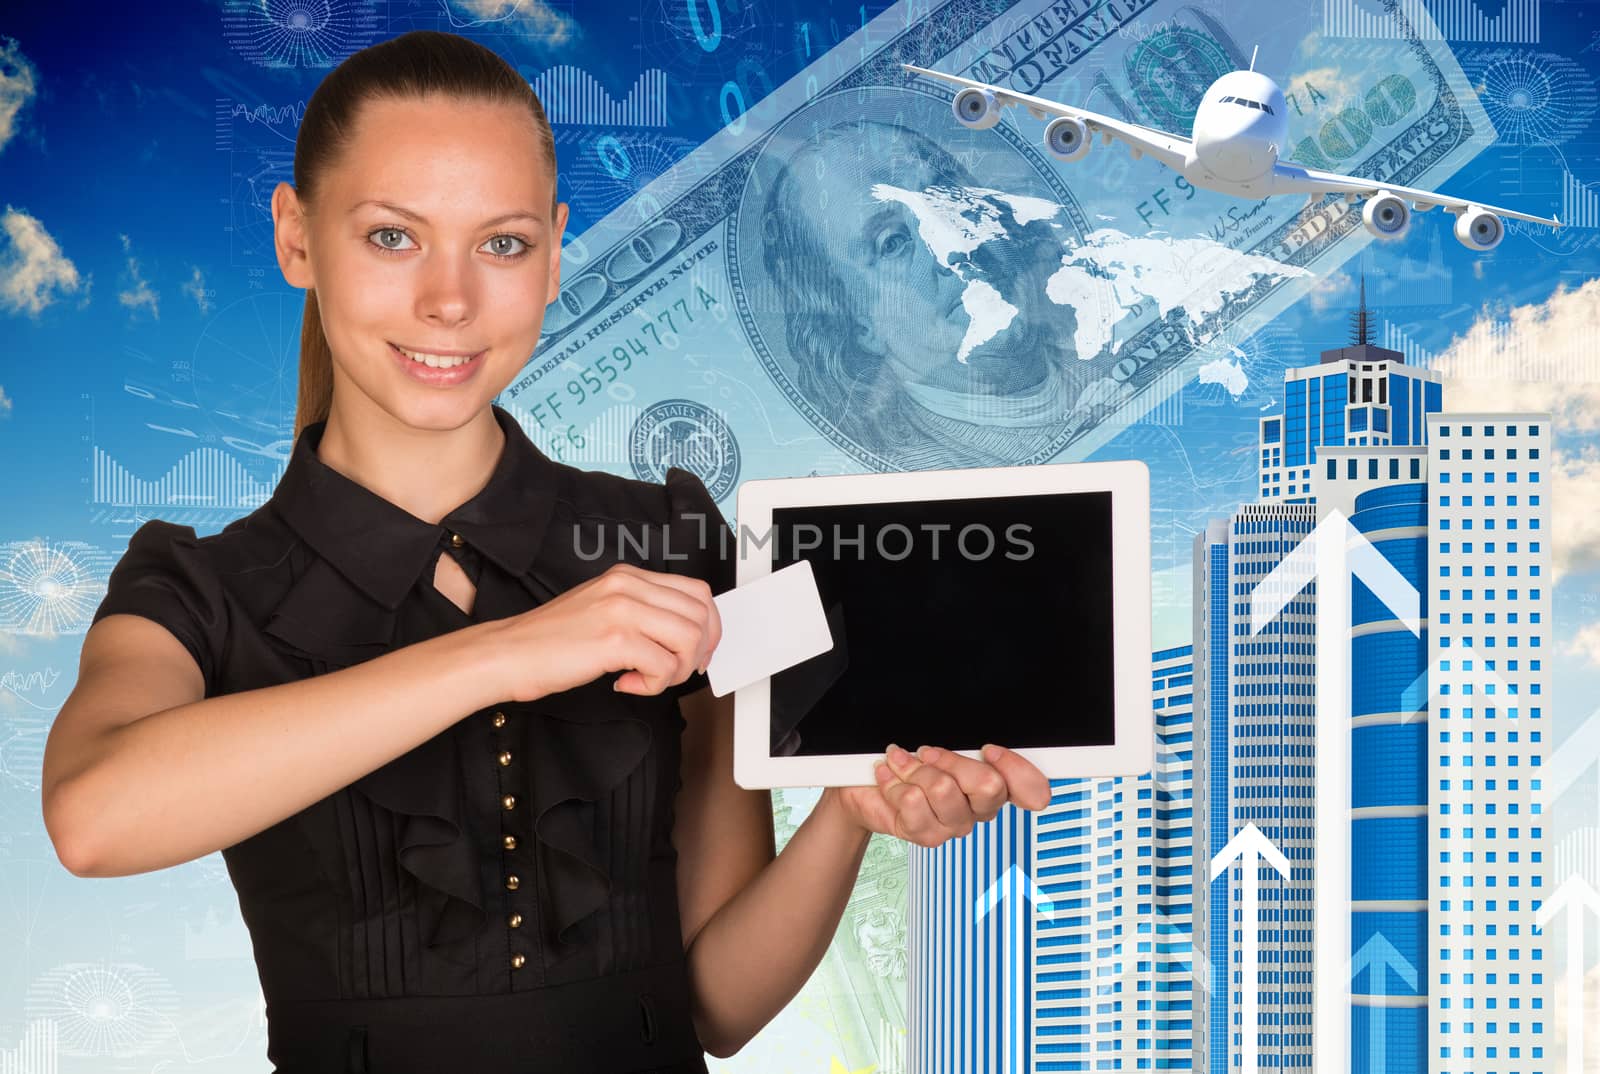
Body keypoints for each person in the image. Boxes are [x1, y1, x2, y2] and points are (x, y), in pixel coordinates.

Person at [39, 29, 1052, 1074]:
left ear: (556, 249)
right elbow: (94, 818)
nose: (450, 300)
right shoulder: (198, 587)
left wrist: (845, 818)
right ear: (297, 238)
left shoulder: (674, 544)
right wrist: (507, 653)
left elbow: (715, 1009)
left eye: (504, 243)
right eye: (392, 237)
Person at [755, 117, 1125, 471]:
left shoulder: (1110, 361)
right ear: (856, 324)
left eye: (944, 200)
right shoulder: (915, 483)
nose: (951, 245)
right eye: (894, 243)